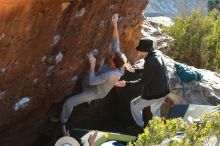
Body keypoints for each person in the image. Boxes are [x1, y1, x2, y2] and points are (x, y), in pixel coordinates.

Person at [60, 13, 133, 136]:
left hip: (97, 92)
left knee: (69, 102)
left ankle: (62, 122)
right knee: (85, 78)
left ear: (114, 65)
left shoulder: (112, 74)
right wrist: (115, 23)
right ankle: (87, 101)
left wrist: (93, 64)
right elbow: (116, 40)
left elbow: (92, 82)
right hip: (97, 80)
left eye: (111, 57)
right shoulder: (117, 58)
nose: (110, 56)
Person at [115, 39, 170, 127]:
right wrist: (134, 70)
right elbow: (152, 71)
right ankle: (158, 129)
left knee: (134, 105)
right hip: (165, 90)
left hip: (155, 93)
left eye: (140, 50)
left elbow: (142, 82)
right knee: (155, 110)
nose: (138, 52)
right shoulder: (157, 54)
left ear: (145, 51)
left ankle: (139, 127)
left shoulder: (150, 61)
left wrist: (126, 83)